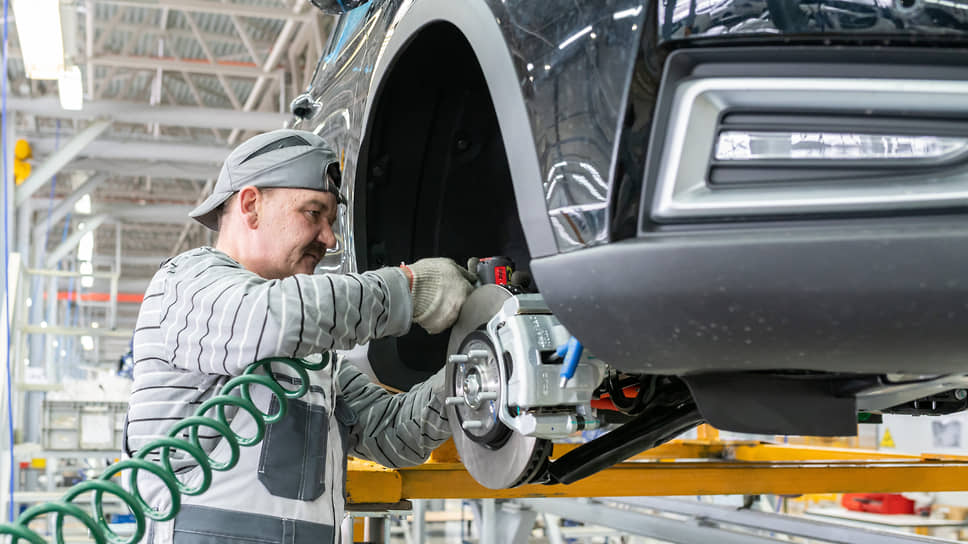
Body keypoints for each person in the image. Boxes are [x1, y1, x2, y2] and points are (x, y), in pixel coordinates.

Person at [123, 129, 476, 544]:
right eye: (313, 213)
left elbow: (394, 432)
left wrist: (471, 367)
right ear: (251, 205)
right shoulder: (186, 285)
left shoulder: (311, 353)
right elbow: (269, 319)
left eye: (331, 221)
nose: (329, 239)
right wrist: (408, 289)